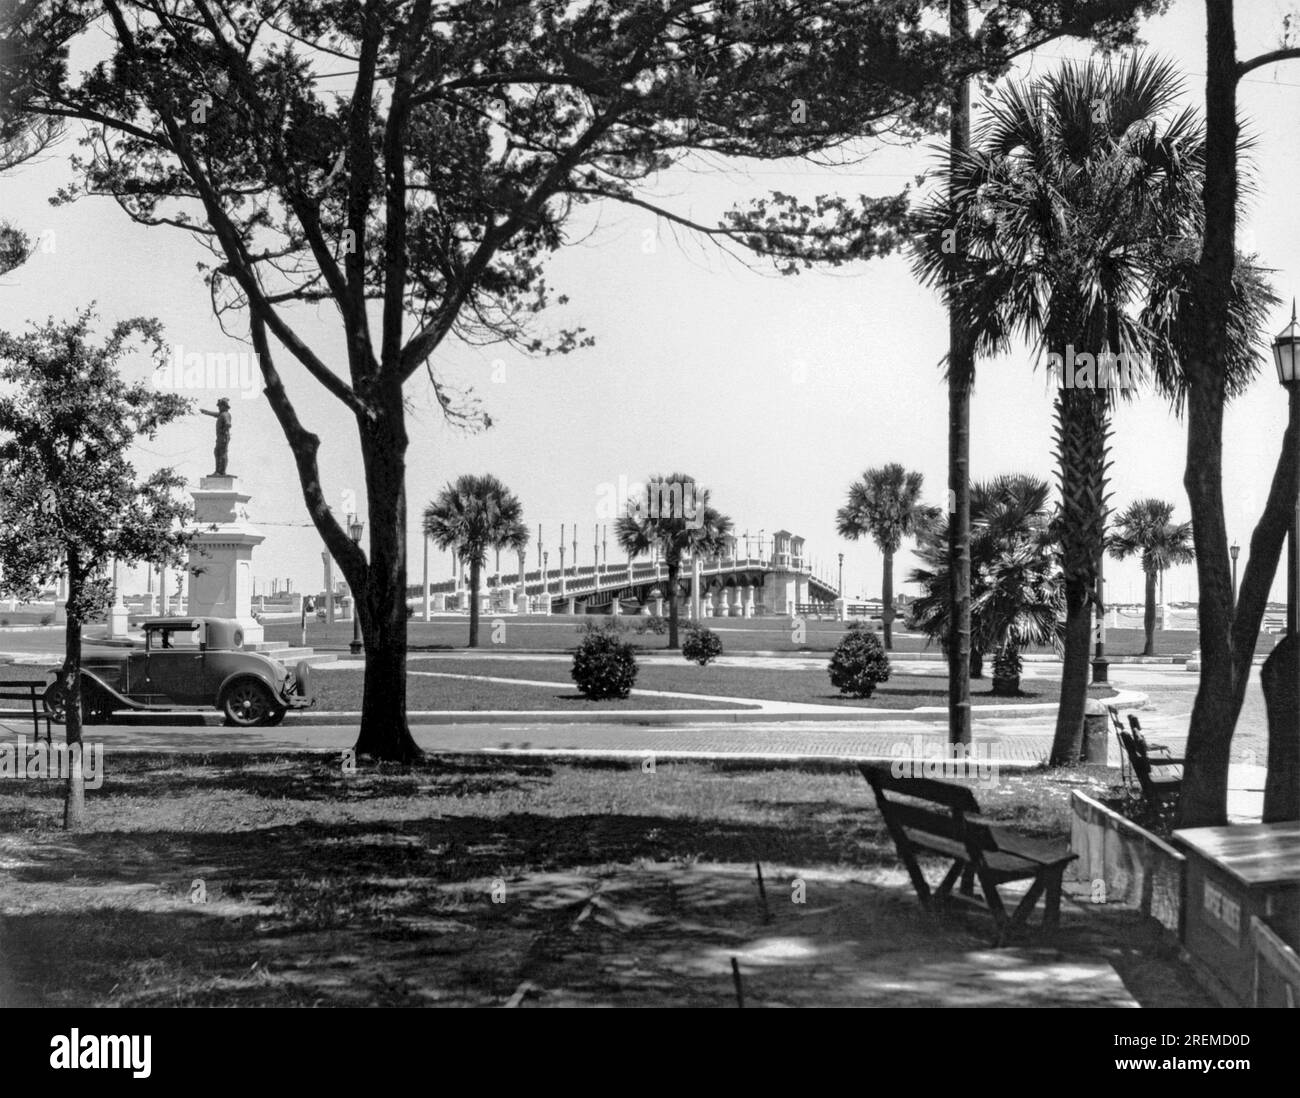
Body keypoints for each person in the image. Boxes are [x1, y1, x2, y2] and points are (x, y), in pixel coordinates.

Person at [199, 398, 232, 476]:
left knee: (221, 453)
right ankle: (218, 471)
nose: (219, 408)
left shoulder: (225, 414)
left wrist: (223, 430)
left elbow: (228, 424)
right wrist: (205, 412)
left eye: (220, 406)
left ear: (224, 406)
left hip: (223, 437)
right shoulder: (222, 414)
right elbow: (214, 414)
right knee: (217, 452)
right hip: (221, 437)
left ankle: (221, 471)